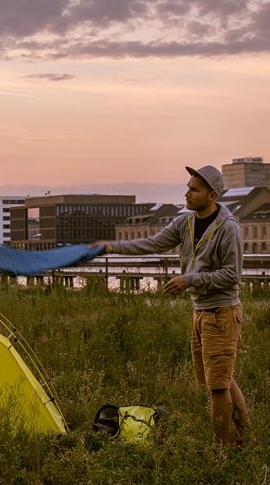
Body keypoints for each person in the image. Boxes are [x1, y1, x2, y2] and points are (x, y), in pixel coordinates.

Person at [91, 164, 249, 448]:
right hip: (200, 311)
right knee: (220, 378)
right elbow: (152, 244)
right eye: (188, 187)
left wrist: (188, 279)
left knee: (218, 386)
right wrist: (112, 247)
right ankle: (247, 436)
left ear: (212, 195)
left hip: (220, 314)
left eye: (194, 189)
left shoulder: (228, 228)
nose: (187, 193)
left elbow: (232, 275)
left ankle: (220, 450)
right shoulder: (185, 222)